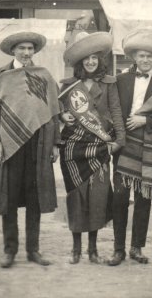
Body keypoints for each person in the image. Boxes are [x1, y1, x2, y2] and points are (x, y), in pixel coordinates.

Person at [0, 30, 61, 269]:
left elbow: (54, 112)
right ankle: (10, 250)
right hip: (9, 146)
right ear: (13, 50)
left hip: (37, 145)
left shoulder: (44, 76)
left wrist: (55, 143)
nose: (26, 53)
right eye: (22, 49)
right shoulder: (0, 75)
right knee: (9, 198)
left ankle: (33, 250)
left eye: (30, 49)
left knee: (35, 199)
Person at [58, 32, 124, 265]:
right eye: (86, 59)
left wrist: (120, 139)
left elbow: (115, 111)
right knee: (76, 196)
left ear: (100, 60)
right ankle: (76, 248)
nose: (90, 62)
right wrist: (62, 115)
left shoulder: (108, 84)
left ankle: (92, 248)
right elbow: (57, 111)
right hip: (73, 148)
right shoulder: (67, 86)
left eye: (94, 58)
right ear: (79, 62)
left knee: (98, 197)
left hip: (99, 146)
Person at [108, 28, 152, 266]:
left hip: (151, 147)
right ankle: (118, 249)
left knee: (144, 197)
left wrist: (147, 120)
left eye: (150, 57)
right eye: (141, 56)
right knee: (120, 198)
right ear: (134, 57)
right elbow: (111, 110)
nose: (145, 60)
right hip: (124, 145)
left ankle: (136, 248)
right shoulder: (120, 80)